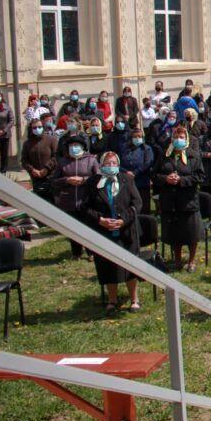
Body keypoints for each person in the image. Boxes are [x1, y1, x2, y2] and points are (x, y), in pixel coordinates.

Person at [83, 152, 143, 313]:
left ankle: (134, 299)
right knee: (107, 265)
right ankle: (112, 299)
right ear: (101, 165)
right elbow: (85, 207)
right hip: (104, 231)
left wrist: (124, 219)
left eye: (114, 163)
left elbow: (137, 203)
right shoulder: (93, 183)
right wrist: (100, 220)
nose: (111, 166)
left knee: (130, 265)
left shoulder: (126, 179)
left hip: (126, 230)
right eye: (107, 163)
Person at [154, 126, 205, 272]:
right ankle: (177, 260)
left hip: (188, 200)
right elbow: (154, 175)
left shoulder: (193, 155)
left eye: (181, 137)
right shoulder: (164, 155)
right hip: (170, 201)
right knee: (175, 232)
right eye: (176, 137)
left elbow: (200, 176)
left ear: (186, 139)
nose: (178, 140)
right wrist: (166, 179)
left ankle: (191, 260)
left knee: (191, 232)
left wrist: (182, 180)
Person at [51, 134, 99, 259]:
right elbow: (54, 181)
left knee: (89, 227)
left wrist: (84, 180)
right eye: (71, 146)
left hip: (86, 200)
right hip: (69, 200)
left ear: (83, 147)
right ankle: (76, 252)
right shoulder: (62, 162)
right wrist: (67, 180)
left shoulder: (91, 160)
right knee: (73, 228)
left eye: (76, 146)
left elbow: (98, 179)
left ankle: (91, 252)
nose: (74, 148)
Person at [21, 118, 59, 202]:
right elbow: (24, 160)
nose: (37, 129)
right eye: (34, 128)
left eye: (39, 127)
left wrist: (46, 169)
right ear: (31, 129)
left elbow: (56, 156)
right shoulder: (27, 143)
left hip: (51, 176)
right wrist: (32, 170)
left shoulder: (52, 140)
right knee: (39, 201)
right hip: (36, 178)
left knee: (53, 202)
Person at [120, 127, 154, 214]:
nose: (137, 138)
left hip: (142, 182)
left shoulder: (147, 149)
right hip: (126, 181)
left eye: (139, 136)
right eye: (135, 137)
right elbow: (119, 163)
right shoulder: (124, 149)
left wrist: (135, 173)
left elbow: (147, 163)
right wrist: (126, 172)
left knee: (143, 206)